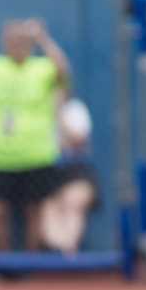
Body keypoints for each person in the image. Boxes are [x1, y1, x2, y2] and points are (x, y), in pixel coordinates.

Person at [0, 10, 70, 252]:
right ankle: (3, 267)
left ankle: (30, 265)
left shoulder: (42, 67)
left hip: (37, 154)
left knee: (34, 211)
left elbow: (63, 72)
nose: (16, 45)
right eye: (11, 40)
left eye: (21, 41)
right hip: (2, 156)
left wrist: (43, 38)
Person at [40, 97, 100, 255]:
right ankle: (58, 256)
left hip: (77, 173)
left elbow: (79, 139)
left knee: (73, 203)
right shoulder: (35, 111)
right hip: (48, 175)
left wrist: (59, 117)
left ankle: (69, 256)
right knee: (46, 218)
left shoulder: (74, 109)